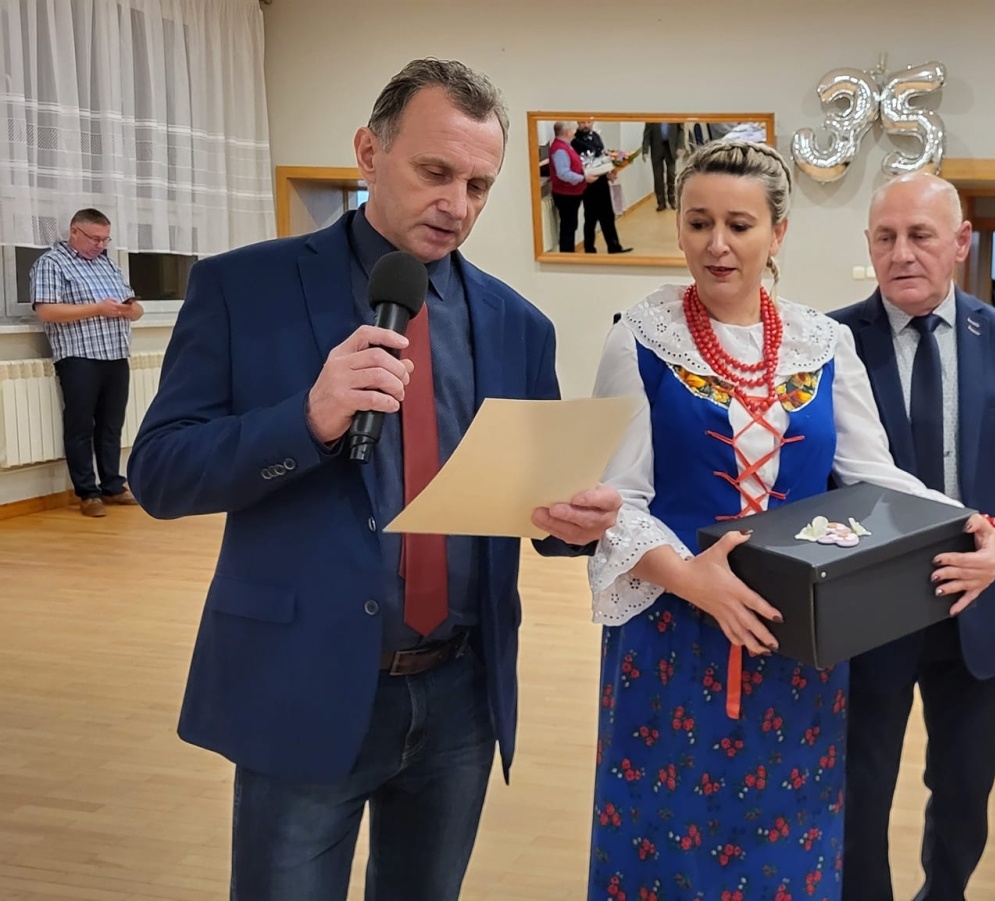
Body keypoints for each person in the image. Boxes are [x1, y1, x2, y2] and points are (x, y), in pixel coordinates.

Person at [127, 58, 622, 900]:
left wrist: (571, 523)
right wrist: (305, 419)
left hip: (461, 690)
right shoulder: (243, 287)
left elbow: (531, 503)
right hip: (304, 677)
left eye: (478, 185)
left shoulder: (518, 325)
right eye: (435, 172)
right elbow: (161, 472)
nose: (457, 205)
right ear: (368, 152)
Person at [583, 140, 995, 901]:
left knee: (784, 845)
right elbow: (618, 504)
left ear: (778, 233)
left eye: (740, 225)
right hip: (675, 635)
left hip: (796, 637)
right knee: (670, 841)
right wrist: (695, 581)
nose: (717, 244)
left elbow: (875, 475)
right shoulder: (641, 336)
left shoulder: (823, 342)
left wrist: (972, 527)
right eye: (699, 222)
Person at [831, 172, 995, 901]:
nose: (901, 253)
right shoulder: (833, 341)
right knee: (860, 788)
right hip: (869, 612)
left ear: (960, 243)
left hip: (979, 603)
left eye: (920, 235)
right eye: (885, 237)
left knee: (965, 789)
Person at [29, 208, 144, 517]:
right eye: (95, 238)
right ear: (74, 232)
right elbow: (47, 311)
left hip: (115, 353)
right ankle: (87, 493)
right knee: (80, 426)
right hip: (79, 356)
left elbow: (135, 307)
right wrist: (96, 309)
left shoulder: (108, 264)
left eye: (105, 239)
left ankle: (112, 485)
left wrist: (132, 310)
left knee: (111, 425)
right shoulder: (52, 263)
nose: (100, 245)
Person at [571, 118, 632, 254]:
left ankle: (614, 246)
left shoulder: (596, 137)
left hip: (602, 182)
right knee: (590, 217)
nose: (586, 125)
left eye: (588, 122)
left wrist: (610, 171)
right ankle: (589, 248)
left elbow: (602, 158)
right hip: (588, 184)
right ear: (578, 123)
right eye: (582, 122)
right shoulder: (575, 142)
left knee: (608, 215)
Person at [548, 120, 593, 252]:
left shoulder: (565, 146)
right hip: (566, 195)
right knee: (568, 228)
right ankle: (567, 254)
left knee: (571, 226)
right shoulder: (560, 149)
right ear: (567, 132)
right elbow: (563, 173)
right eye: (573, 130)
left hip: (571, 194)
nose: (575, 132)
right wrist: (583, 178)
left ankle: (569, 253)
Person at [641, 121, 685, 211]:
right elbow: (647, 132)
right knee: (658, 177)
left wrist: (681, 146)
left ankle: (672, 200)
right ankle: (661, 203)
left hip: (671, 147)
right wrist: (645, 150)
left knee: (672, 175)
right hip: (656, 147)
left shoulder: (675, 114)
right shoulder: (652, 116)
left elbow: (681, 130)